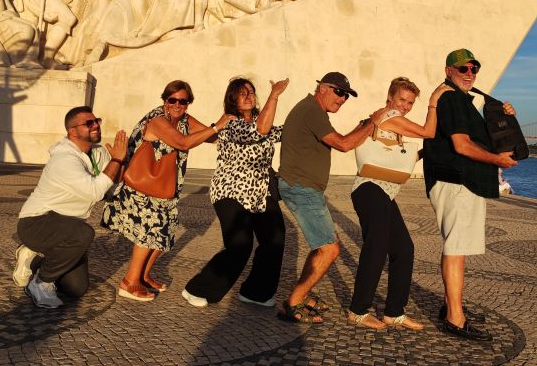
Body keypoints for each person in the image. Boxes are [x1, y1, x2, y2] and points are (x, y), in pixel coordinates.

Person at [101, 80, 234, 301]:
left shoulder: (184, 120)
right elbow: (182, 143)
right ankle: (129, 282)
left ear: (188, 103)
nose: (177, 104)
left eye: (183, 101)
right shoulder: (158, 121)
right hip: (143, 188)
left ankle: (143, 276)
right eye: (172, 100)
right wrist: (216, 125)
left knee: (162, 234)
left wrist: (229, 124)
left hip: (164, 187)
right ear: (165, 100)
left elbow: (211, 137)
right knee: (148, 234)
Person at [276, 71, 388, 323]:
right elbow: (344, 145)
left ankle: (299, 296)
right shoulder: (311, 110)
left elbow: (343, 140)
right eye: (339, 92)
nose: (342, 98)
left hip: (304, 188)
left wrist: (364, 124)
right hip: (301, 188)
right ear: (323, 88)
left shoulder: (314, 111)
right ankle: (293, 302)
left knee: (323, 246)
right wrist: (373, 124)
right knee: (329, 249)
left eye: (346, 95)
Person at [422, 49, 518, 341]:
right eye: (463, 68)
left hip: (463, 182)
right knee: (455, 249)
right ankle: (455, 318)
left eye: (474, 68)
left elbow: (477, 136)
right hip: (456, 181)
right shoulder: (451, 98)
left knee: (458, 248)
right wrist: (497, 161)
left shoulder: (464, 99)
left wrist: (504, 116)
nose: (470, 73)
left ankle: (452, 306)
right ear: (449, 70)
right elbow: (462, 145)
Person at [348, 77, 452, 330]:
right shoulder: (388, 115)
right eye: (402, 100)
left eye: (409, 103)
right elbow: (428, 132)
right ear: (390, 98)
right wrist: (434, 102)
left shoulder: (394, 125)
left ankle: (394, 312)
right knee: (377, 246)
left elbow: (401, 161)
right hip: (369, 188)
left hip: (384, 191)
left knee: (404, 249)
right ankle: (358, 310)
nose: (405, 106)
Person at [182, 77, 289, 308]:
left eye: (251, 91)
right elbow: (259, 132)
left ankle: (256, 292)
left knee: (275, 239)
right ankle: (197, 288)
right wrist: (275, 95)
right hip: (230, 190)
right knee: (240, 244)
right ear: (233, 99)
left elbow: (283, 132)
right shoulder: (229, 124)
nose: (249, 96)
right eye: (242, 93)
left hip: (260, 193)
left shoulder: (264, 122)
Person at [13, 106, 128, 308]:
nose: (95, 126)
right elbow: (95, 191)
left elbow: (110, 189)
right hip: (38, 222)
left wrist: (121, 162)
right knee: (83, 234)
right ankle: (40, 284)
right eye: (88, 123)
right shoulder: (64, 159)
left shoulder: (98, 153)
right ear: (72, 131)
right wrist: (117, 159)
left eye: (96, 121)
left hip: (65, 227)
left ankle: (34, 261)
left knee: (76, 288)